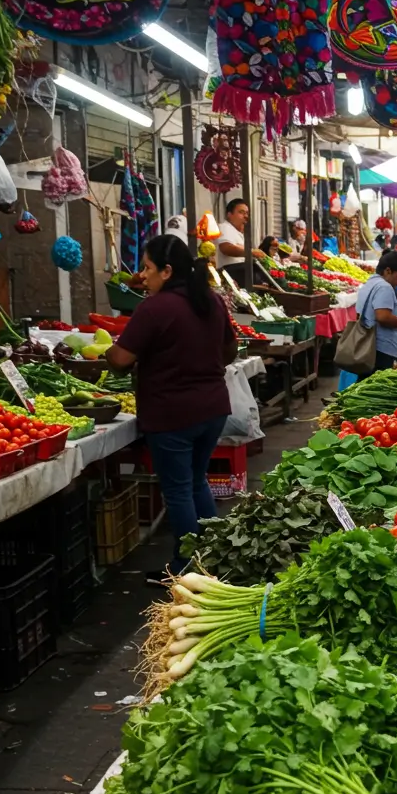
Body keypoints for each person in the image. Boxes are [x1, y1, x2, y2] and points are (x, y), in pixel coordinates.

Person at [106, 235, 236, 580]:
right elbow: (230, 352)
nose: (142, 275)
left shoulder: (154, 308)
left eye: (147, 268)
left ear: (166, 271)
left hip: (172, 414)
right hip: (213, 408)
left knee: (179, 490)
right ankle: (214, 559)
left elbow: (120, 359)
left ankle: (186, 568)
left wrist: (105, 352)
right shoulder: (210, 300)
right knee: (196, 482)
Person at [352, 249, 397, 378]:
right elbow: (382, 316)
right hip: (380, 349)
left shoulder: (370, 283)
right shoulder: (385, 287)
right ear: (388, 271)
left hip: (369, 346)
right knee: (375, 387)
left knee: (366, 385)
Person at [216, 198, 248, 279]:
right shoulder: (225, 227)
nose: (245, 216)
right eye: (241, 212)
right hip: (230, 275)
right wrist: (251, 253)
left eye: (247, 213)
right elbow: (226, 248)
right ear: (229, 214)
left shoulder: (239, 233)